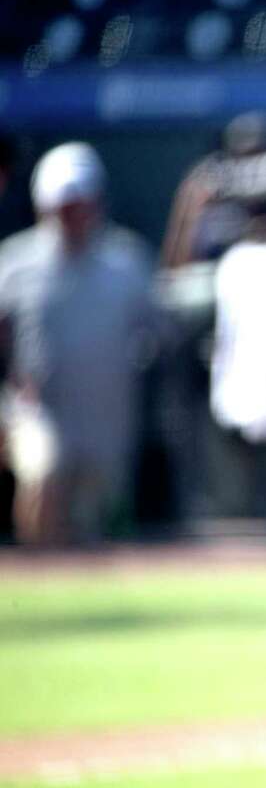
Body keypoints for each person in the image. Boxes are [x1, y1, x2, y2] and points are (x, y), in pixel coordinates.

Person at [0, 142, 157, 546]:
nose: (73, 215)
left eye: (80, 203)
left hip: (107, 418)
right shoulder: (14, 264)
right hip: (38, 410)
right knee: (43, 478)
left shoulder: (127, 262)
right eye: (63, 206)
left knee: (92, 524)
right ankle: (36, 582)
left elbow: (155, 332)